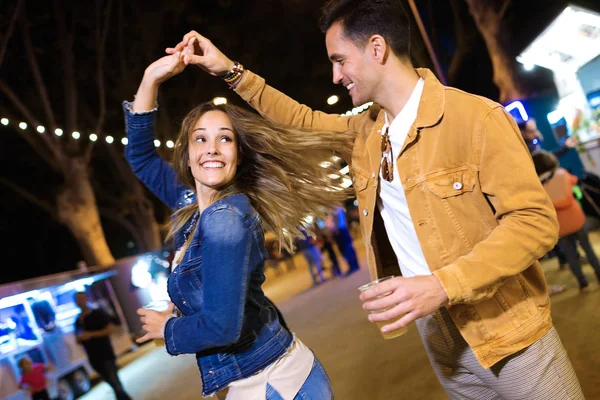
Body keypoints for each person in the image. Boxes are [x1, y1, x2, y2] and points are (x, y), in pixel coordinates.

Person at [166, 0, 584, 397]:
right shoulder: (366, 133)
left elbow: (535, 223)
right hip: (437, 329)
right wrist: (230, 72)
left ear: (377, 48)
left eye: (339, 60)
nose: (335, 76)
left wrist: (441, 285)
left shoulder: (476, 119)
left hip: (508, 329)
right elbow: (300, 120)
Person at [125, 48, 353, 399]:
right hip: (255, 384)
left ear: (238, 154)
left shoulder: (226, 218)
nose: (212, 148)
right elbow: (139, 155)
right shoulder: (191, 206)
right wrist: (151, 77)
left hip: (276, 385)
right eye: (200, 138)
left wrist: (169, 329)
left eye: (225, 138)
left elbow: (222, 326)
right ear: (186, 153)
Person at [532, 150, 600, 290]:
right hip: (576, 220)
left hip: (559, 227)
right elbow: (574, 182)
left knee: (570, 255)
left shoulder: (536, 185)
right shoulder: (561, 174)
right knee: (588, 248)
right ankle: (598, 273)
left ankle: (582, 281)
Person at [74, 292, 132, 400]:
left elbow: (109, 330)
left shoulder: (97, 314)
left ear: (86, 299)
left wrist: (91, 334)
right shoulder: (78, 321)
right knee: (109, 381)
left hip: (105, 353)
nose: (80, 302)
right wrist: (80, 338)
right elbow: (77, 337)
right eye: (77, 300)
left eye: (81, 298)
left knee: (114, 380)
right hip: (93, 357)